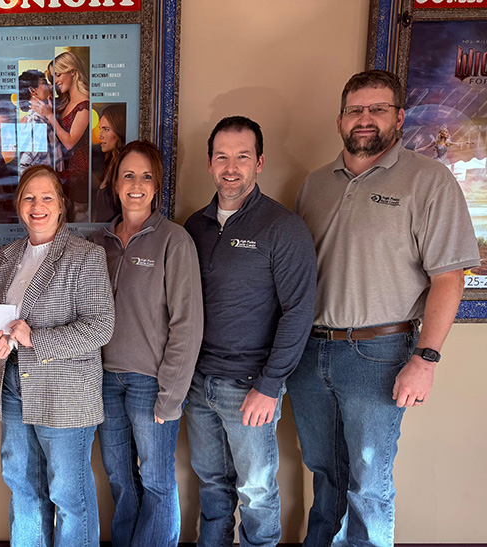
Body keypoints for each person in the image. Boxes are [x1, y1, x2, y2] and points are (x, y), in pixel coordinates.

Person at [289, 70, 480, 547]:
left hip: (378, 354)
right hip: (310, 353)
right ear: (340, 120)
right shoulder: (314, 185)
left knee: (368, 484)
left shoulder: (428, 180)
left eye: (377, 109)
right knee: (324, 473)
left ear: (398, 117)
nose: (365, 118)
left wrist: (425, 359)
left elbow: (449, 278)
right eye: (355, 110)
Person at [183, 117, 317, 547]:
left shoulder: (282, 227)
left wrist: (270, 385)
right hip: (198, 383)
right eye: (221, 157)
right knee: (211, 484)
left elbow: (299, 311)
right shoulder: (195, 227)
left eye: (242, 156)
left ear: (259, 162)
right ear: (209, 163)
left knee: (256, 490)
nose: (231, 167)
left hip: (250, 387)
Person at [0, 164, 115, 547]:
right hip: (13, 386)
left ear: (61, 205)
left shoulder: (85, 256)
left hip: (66, 394)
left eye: (46, 197)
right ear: (18, 205)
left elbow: (100, 327)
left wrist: (36, 340)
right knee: (23, 486)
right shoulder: (4, 259)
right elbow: (3, 326)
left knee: (69, 497)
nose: (37, 206)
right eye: (29, 197)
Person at [90, 141, 203, 547]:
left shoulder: (174, 240)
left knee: (156, 479)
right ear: (115, 183)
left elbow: (187, 324)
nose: (136, 185)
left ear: (157, 186)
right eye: (128, 175)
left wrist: (171, 395)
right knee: (119, 477)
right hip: (105, 381)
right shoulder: (99, 243)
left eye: (146, 177)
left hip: (151, 383)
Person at [35, 51, 91, 221]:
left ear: (73, 71)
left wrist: (50, 116)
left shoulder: (85, 105)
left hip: (79, 178)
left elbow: (69, 143)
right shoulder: (64, 102)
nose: (56, 81)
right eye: (53, 77)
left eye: (59, 75)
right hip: (63, 172)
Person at [92, 104, 127, 223]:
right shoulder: (111, 163)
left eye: (106, 129)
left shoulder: (124, 169)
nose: (100, 136)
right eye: (100, 129)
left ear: (119, 131)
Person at [17, 69, 55, 173]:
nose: (51, 87)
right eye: (44, 83)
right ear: (33, 90)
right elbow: (23, 167)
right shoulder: (36, 123)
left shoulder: (41, 120)